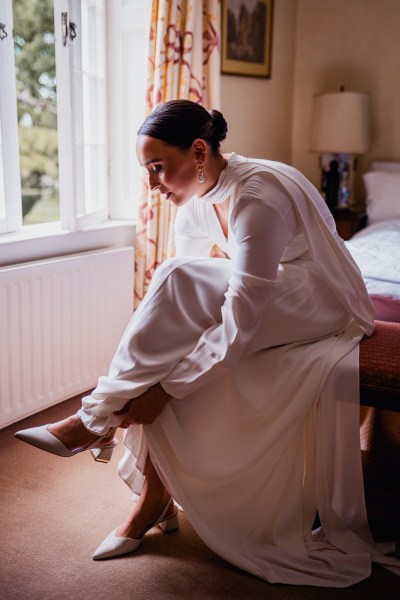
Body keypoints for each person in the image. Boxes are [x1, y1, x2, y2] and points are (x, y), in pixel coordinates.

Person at [16, 100, 399, 587]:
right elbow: (175, 309)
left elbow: (238, 321)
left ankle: (95, 420)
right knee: (173, 300)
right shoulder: (194, 201)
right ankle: (145, 488)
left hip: (321, 299)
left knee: (176, 318)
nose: (153, 184)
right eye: (146, 170)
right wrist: (162, 377)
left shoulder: (257, 195)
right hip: (271, 292)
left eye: (158, 167)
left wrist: (167, 390)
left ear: (198, 150)